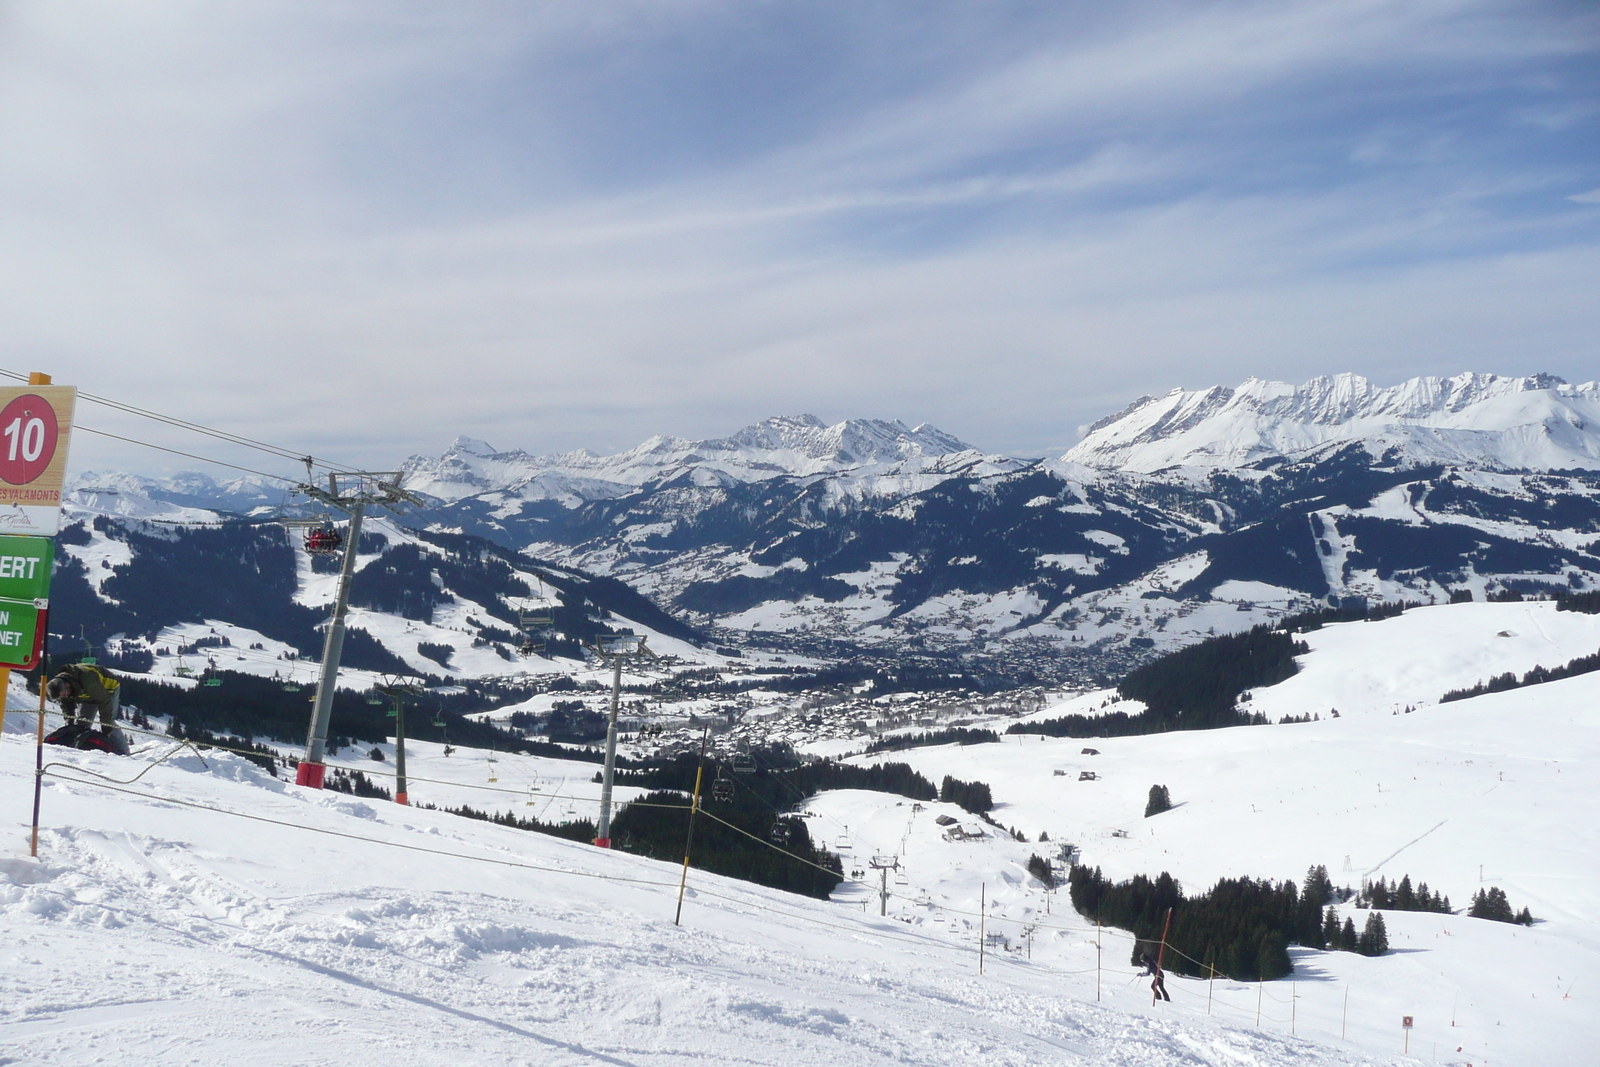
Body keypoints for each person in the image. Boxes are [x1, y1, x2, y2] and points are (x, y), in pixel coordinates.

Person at [45, 663, 129, 755]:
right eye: (62, 696)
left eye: (65, 694)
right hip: (86, 693)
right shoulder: (61, 689)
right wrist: (70, 726)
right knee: (82, 723)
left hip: (108, 689)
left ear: (67, 684)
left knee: (109, 723)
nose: (65, 697)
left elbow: (105, 702)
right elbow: (67, 707)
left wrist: (106, 729)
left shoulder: (87, 680)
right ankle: (80, 748)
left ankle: (123, 752)